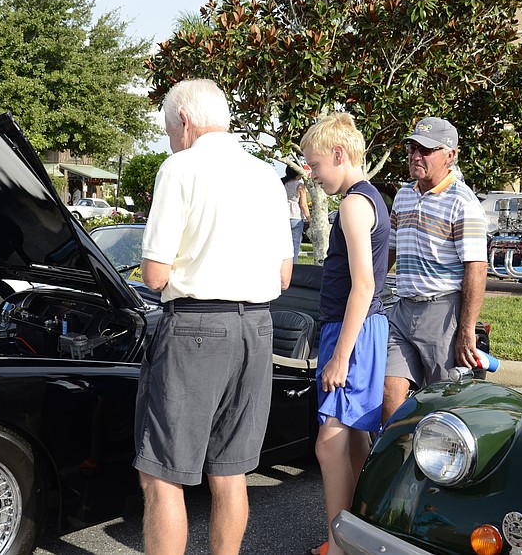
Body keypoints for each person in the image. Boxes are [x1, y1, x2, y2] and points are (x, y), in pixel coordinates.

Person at [134, 78, 294, 555]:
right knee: (230, 471)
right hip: (257, 329)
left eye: (168, 129)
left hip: (196, 330)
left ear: (184, 120)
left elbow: (155, 275)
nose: (169, 138)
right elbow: (284, 274)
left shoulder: (180, 167)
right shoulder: (266, 175)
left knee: (162, 473)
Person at [300, 113, 390, 555]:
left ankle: (339, 546)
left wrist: (339, 356)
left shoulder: (355, 203)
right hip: (361, 329)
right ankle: (359, 536)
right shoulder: (368, 197)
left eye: (315, 166)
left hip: (353, 331)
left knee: (328, 444)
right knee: (354, 439)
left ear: (338, 154)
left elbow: (365, 284)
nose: (313, 176)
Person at [382, 117, 488, 425]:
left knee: (443, 406)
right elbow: (390, 250)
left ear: (451, 155)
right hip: (402, 310)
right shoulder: (403, 196)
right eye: (413, 148)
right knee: (389, 395)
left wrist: (466, 330)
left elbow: (476, 268)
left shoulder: (463, 202)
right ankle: (395, 465)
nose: (416, 156)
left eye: (426, 150)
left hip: (443, 313)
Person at [283, 167, 312, 262]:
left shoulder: (282, 183)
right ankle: (293, 267)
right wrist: (309, 219)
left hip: (283, 216)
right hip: (296, 217)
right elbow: (303, 205)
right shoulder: (300, 186)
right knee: (295, 245)